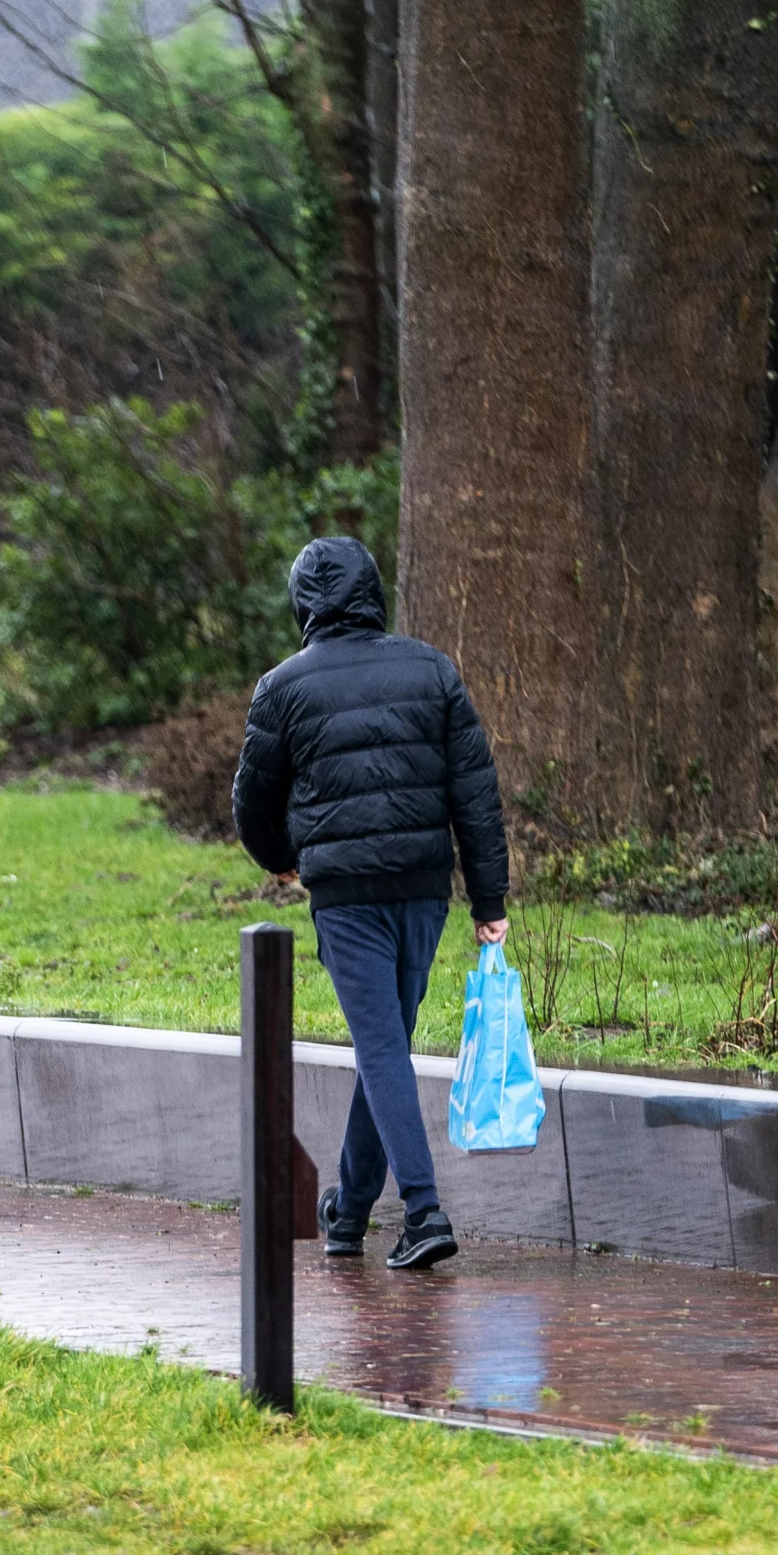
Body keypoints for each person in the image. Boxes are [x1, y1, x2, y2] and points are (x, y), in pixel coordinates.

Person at [230, 534, 510, 1270]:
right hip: (423, 890)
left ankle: (423, 1211)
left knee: (381, 1048)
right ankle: (349, 1213)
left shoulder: (283, 687)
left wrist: (285, 863)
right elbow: (475, 795)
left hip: (347, 897)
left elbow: (251, 805)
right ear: (371, 592)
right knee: (384, 1047)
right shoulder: (431, 669)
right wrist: (489, 897)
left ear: (304, 605)